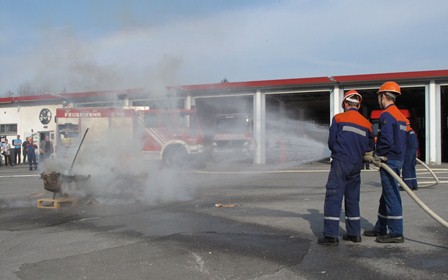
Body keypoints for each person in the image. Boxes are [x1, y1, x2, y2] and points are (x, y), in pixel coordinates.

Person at [318, 90, 374, 245]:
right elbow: (370, 146)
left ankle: (330, 236)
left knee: (333, 196)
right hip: (357, 165)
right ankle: (354, 234)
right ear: (359, 105)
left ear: (345, 104)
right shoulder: (367, 124)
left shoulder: (338, 118)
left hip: (340, 163)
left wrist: (340, 151)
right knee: (352, 199)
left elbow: (331, 142)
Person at [364, 81, 407, 243]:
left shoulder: (387, 115)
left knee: (392, 196)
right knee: (386, 196)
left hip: (389, 161)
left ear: (383, 96)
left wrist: (378, 155)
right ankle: (381, 227)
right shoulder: (400, 116)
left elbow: (386, 139)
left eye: (379, 97)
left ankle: (396, 232)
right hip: (397, 159)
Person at [401, 119, 419, 191]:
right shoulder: (412, 131)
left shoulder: (405, 131)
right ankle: (414, 184)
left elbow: (401, 141)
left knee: (406, 166)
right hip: (413, 149)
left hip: (408, 149)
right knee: (412, 167)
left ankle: (407, 185)